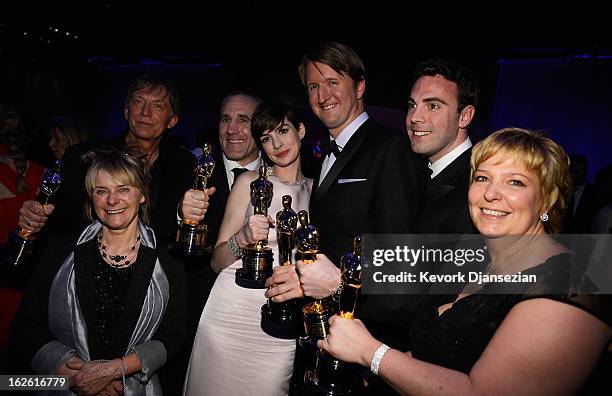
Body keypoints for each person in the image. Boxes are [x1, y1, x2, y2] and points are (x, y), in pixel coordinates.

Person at [319, 128, 611, 395]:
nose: (491, 194)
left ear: (547, 199)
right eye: (482, 178)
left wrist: (371, 353)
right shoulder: (471, 257)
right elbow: (428, 351)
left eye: (515, 182)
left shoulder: (574, 281)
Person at [8, 147, 187, 395]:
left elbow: (173, 335)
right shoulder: (61, 250)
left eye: (123, 189)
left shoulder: (168, 258)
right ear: (91, 197)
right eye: (101, 191)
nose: (112, 200)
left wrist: (115, 371)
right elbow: (27, 325)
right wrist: (77, 377)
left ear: (142, 195)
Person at [296, 42, 425, 351]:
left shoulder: (391, 148)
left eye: (332, 83)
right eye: (313, 86)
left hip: (368, 334)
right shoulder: (318, 155)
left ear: (360, 86)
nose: (322, 96)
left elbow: (399, 258)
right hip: (325, 329)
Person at [183, 99, 310, 395]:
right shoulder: (248, 183)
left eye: (283, 130)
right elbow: (216, 262)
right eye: (266, 138)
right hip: (229, 314)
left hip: (278, 319)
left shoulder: (316, 191)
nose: (276, 143)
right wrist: (243, 236)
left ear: (301, 130)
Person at [160, 91, 263, 395]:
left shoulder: (283, 167)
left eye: (243, 120)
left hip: (255, 317)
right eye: (225, 119)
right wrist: (181, 213)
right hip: (195, 311)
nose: (232, 129)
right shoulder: (190, 167)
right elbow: (154, 221)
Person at [16, 74, 194, 244]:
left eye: (157, 106)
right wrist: (34, 215)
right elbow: (52, 217)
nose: (145, 112)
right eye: (138, 101)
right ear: (126, 110)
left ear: (172, 120)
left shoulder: (183, 166)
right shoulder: (84, 158)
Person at [407, 58, 479, 234]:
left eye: (432, 106)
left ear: (465, 116)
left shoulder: (479, 183)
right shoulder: (406, 169)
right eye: (412, 105)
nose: (414, 117)